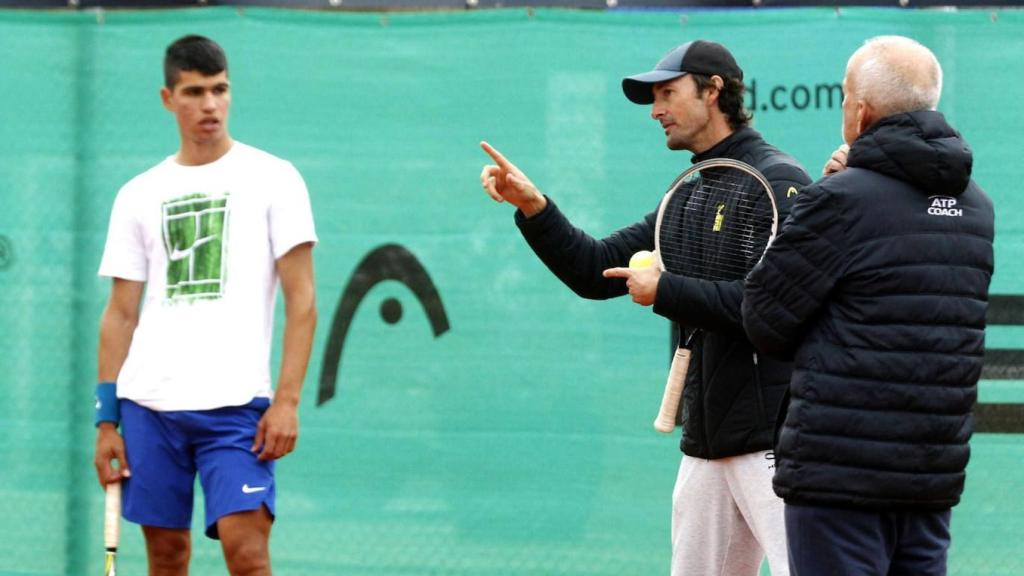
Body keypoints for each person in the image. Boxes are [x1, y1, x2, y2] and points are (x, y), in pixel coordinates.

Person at [480, 40, 810, 575]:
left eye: (668, 93)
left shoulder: (778, 181)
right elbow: (595, 270)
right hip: (706, 443)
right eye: (653, 97)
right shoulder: (689, 193)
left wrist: (666, 290)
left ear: (713, 90)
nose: (656, 109)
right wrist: (534, 208)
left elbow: (772, 308)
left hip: (773, 441)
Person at [742, 36, 995, 576]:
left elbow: (764, 318)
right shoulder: (976, 206)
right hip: (930, 475)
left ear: (860, 110)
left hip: (838, 478)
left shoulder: (837, 200)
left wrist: (822, 197)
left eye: (842, 97)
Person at [92, 35, 317, 575]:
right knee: (167, 559)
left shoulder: (274, 177)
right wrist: (106, 422)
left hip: (238, 410)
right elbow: (120, 312)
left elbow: (302, 299)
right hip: (149, 409)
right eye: (194, 92)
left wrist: (286, 401)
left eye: (220, 90)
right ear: (168, 98)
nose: (210, 105)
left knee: (248, 557)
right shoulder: (138, 193)